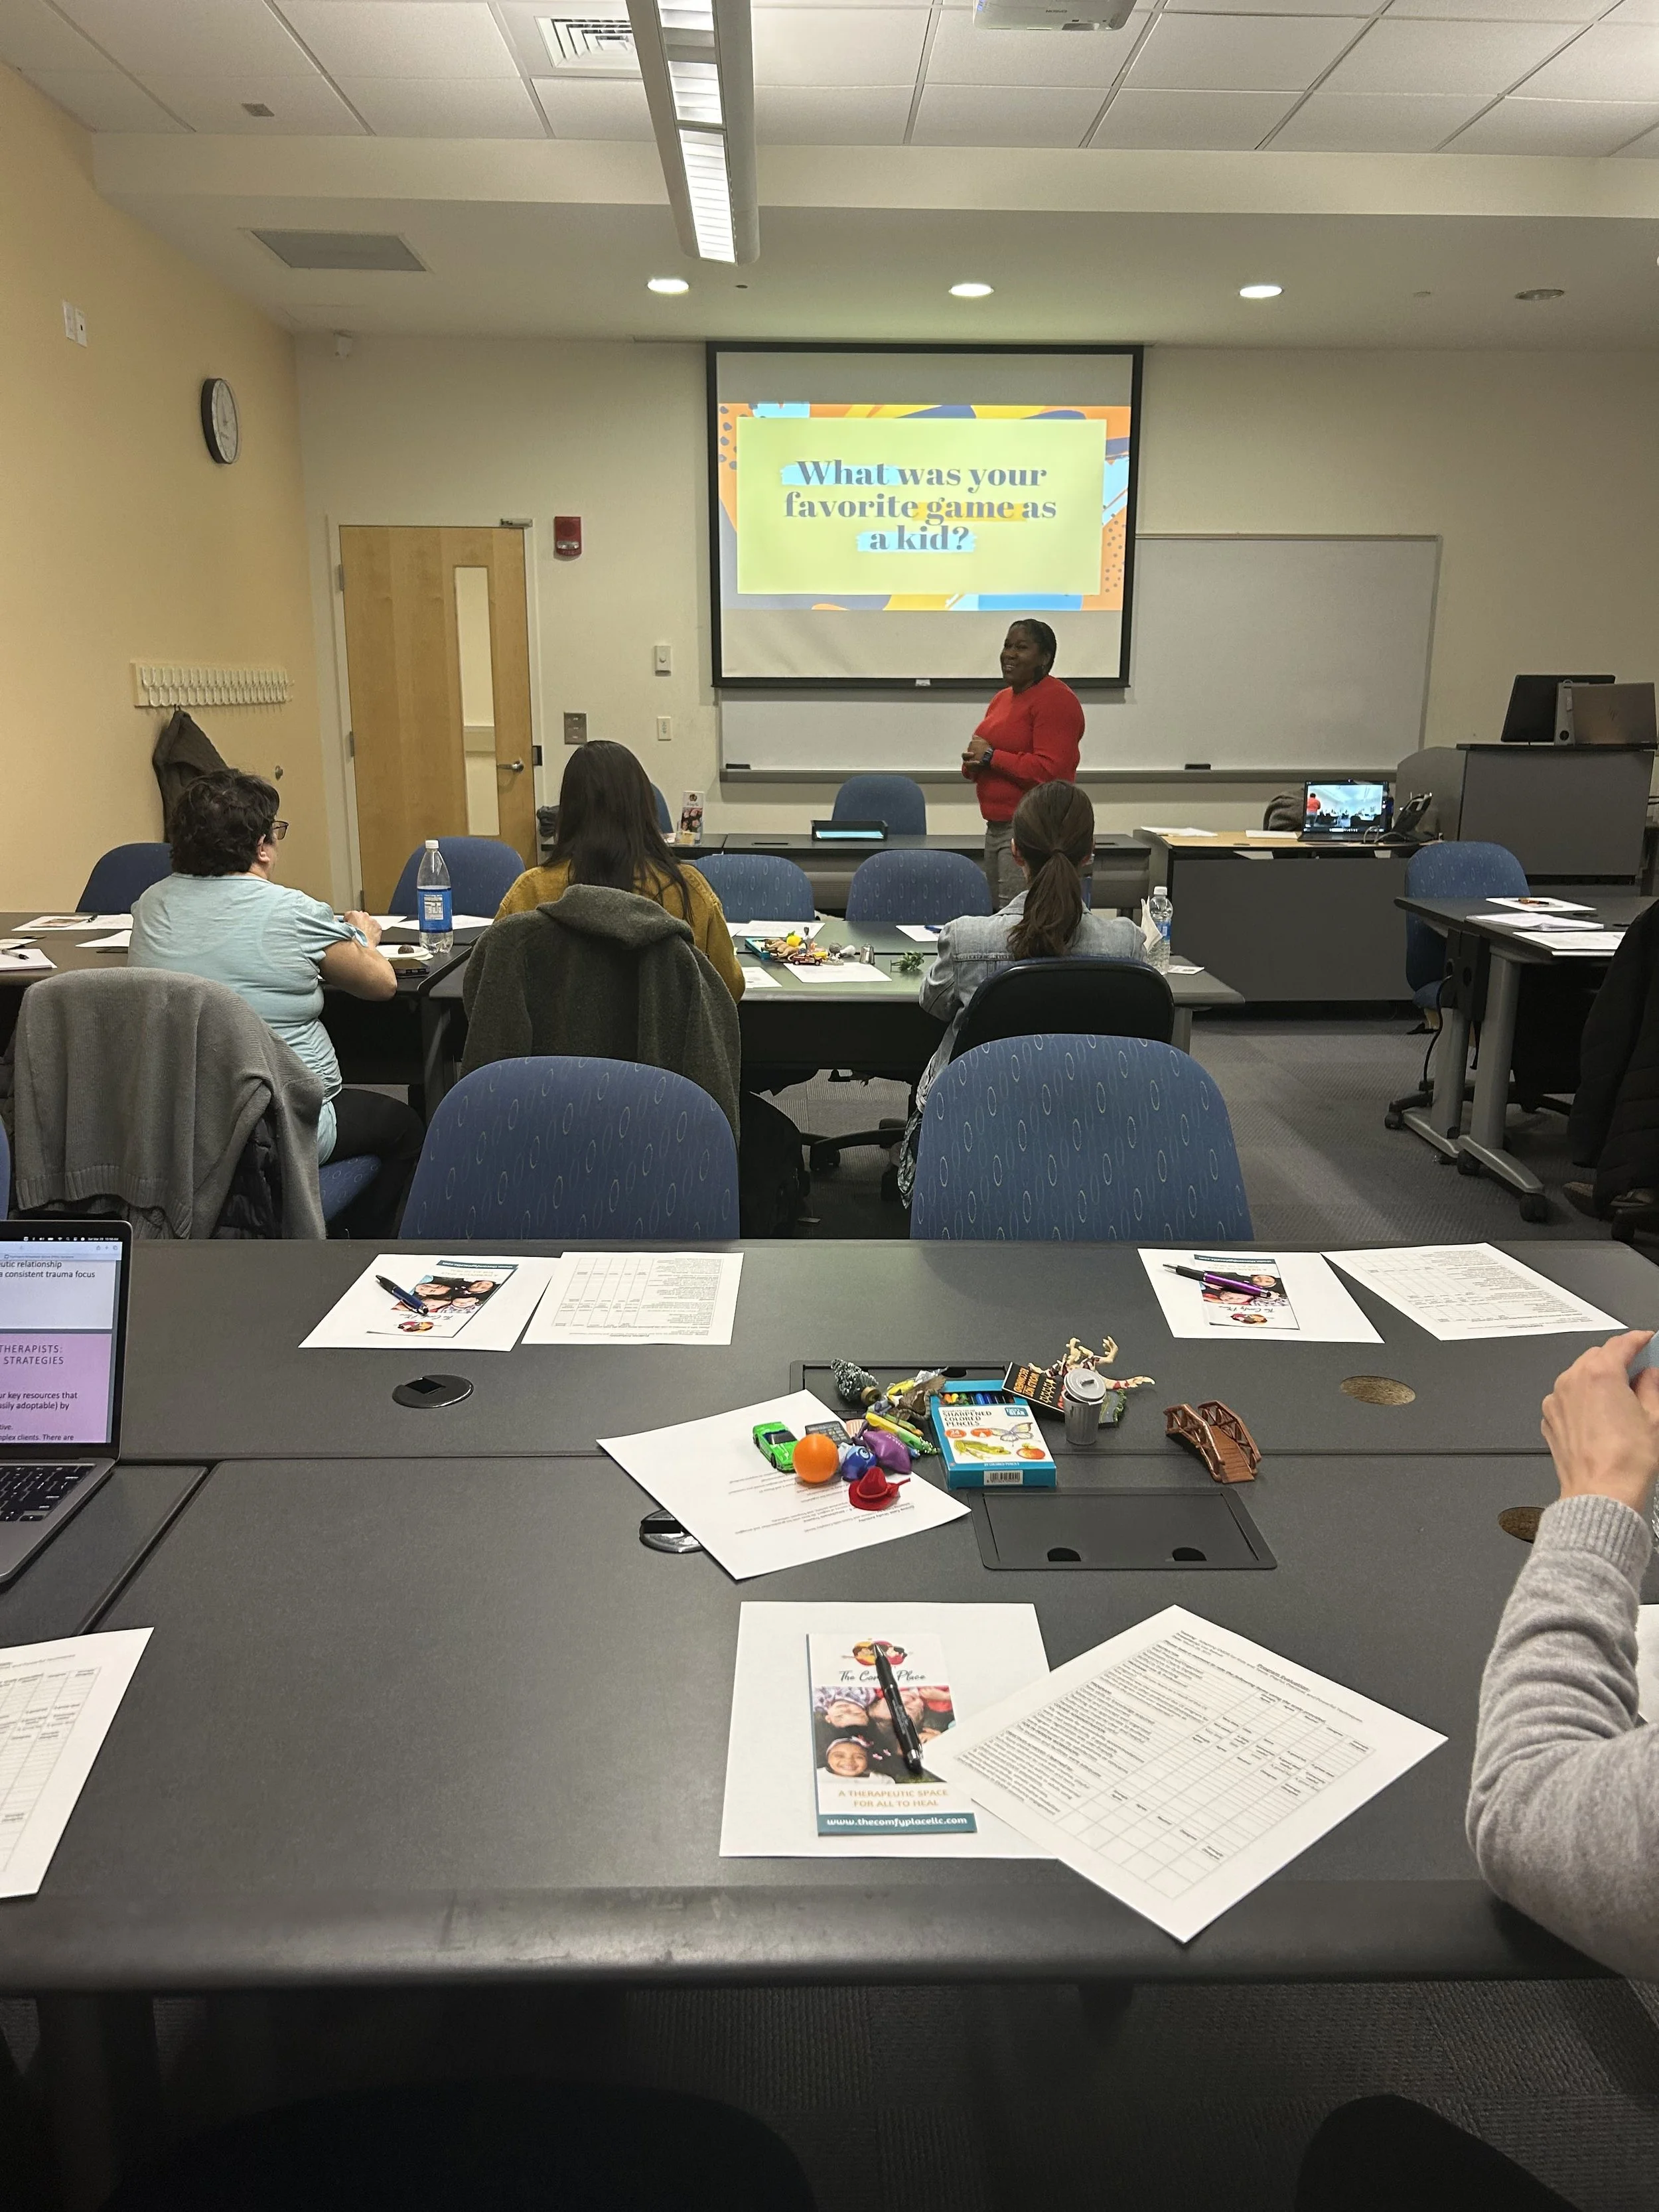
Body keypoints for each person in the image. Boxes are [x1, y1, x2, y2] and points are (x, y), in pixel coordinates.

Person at [128, 770, 425, 1234]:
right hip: (277, 1126)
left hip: (178, 1126)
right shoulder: (291, 910)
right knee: (407, 1128)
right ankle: (353, 1248)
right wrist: (361, 937)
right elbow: (381, 983)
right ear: (262, 847)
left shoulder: (150, 906)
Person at [896, 780, 1150, 1204]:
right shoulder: (1126, 944)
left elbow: (933, 1003)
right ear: (1089, 853)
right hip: (1092, 1120)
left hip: (975, 1120)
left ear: (1015, 851)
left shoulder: (966, 939)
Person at [496, 741, 743, 1000]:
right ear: (644, 807)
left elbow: (493, 982)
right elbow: (729, 987)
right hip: (662, 1028)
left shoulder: (531, 891)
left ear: (568, 810)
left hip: (552, 1028)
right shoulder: (687, 890)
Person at [961, 619, 1085, 909]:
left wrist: (992, 757)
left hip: (1034, 831)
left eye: (1021, 647)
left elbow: (1051, 773)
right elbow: (983, 753)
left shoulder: (1057, 700)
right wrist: (974, 763)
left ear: (1045, 658)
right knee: (999, 915)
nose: (1010, 654)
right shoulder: (1002, 699)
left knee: (1018, 917)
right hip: (997, 828)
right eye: (1007, 646)